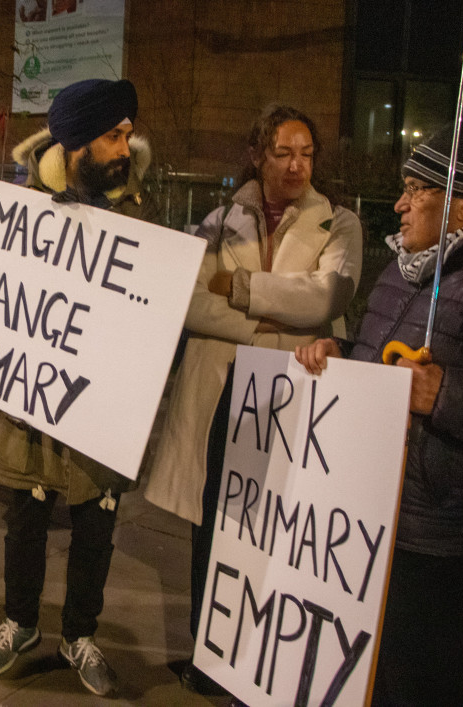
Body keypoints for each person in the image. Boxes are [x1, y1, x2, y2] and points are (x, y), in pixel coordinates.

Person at [143, 104, 363, 695]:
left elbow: (324, 301)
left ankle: (268, 660)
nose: (298, 165)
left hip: (291, 399)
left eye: (307, 153)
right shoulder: (217, 221)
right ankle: (208, 655)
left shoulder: (340, 223)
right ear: (257, 155)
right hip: (220, 393)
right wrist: (269, 322)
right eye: (284, 152)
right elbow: (188, 302)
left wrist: (240, 290)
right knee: (213, 527)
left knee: (277, 531)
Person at [295, 110, 463, 707]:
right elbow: (374, 364)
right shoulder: (400, 272)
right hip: (368, 512)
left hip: (438, 530)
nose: (401, 204)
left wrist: (445, 395)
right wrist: (337, 358)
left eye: (418, 190)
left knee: (419, 678)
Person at [0, 78, 149, 698]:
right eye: (112, 135)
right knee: (25, 520)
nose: (126, 146)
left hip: (101, 415)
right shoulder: (17, 216)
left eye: (127, 133)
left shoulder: (135, 218)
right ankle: (20, 622)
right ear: (76, 145)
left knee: (95, 530)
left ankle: (79, 633)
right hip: (32, 409)